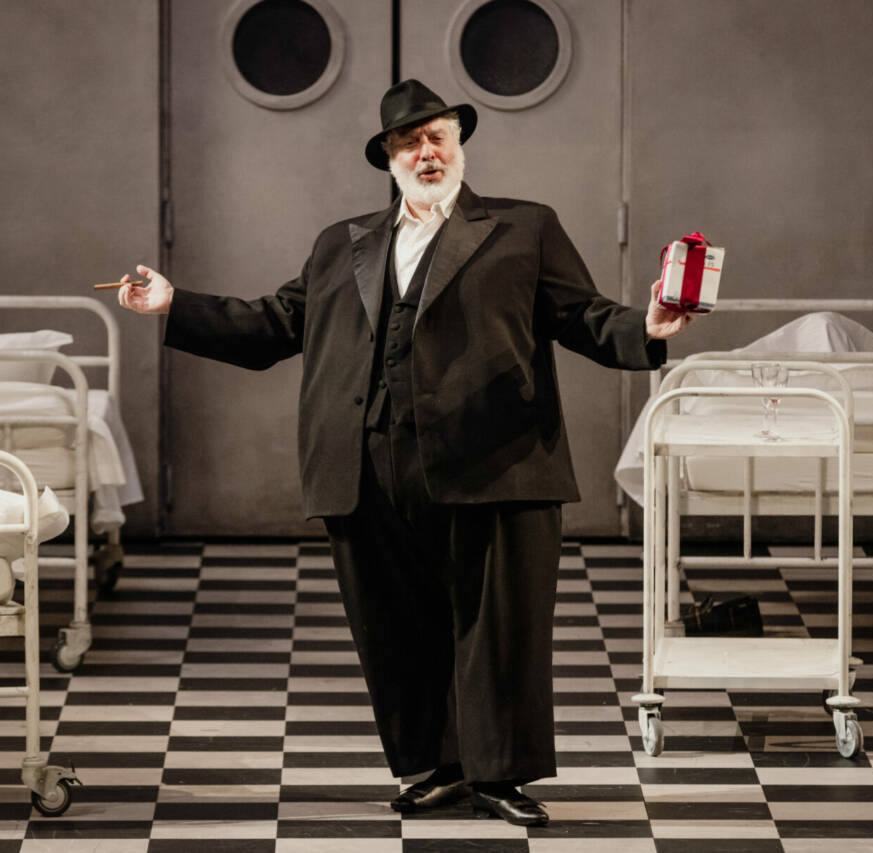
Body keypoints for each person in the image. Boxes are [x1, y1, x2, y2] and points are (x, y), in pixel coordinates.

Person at [114, 79, 695, 827]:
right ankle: (441, 766)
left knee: (499, 623)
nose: (427, 153)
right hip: (366, 463)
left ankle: (499, 774)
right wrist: (175, 304)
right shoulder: (343, 242)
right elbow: (274, 323)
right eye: (410, 142)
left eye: (438, 138)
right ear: (388, 157)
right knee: (396, 624)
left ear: (460, 144)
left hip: (495, 458)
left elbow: (582, 314)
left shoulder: (522, 228)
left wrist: (645, 325)